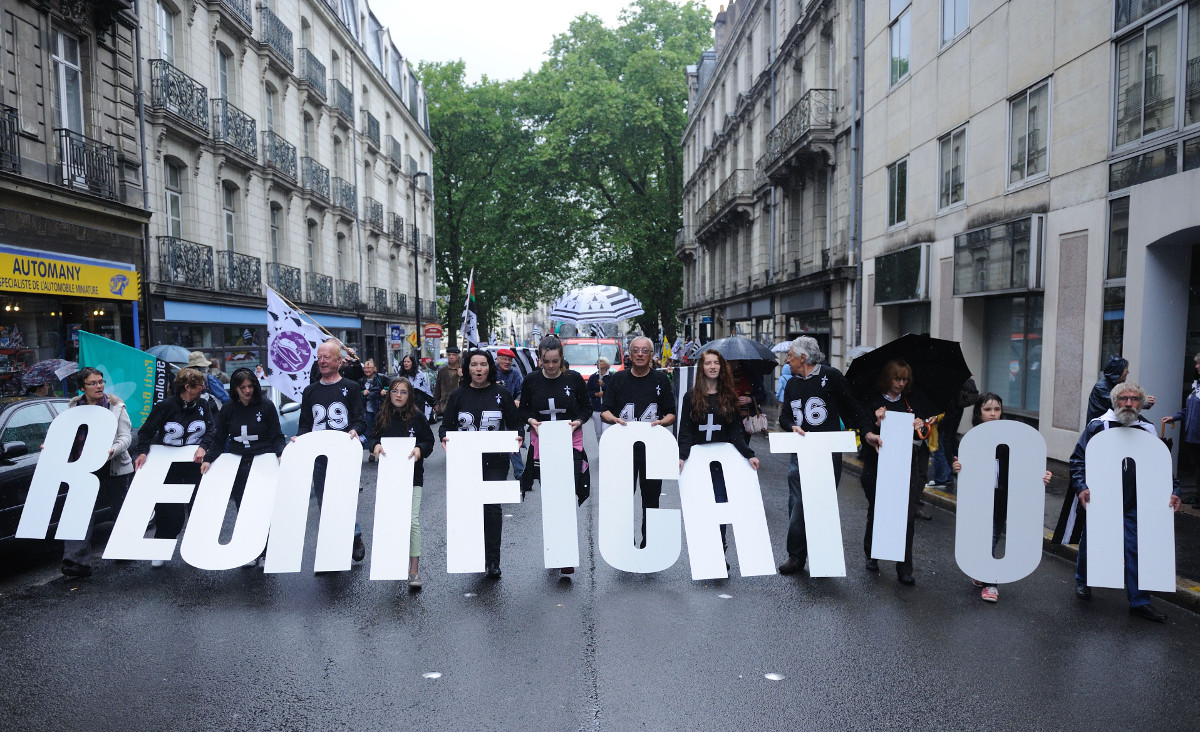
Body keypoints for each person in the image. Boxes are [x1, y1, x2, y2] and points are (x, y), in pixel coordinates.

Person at [1071, 380, 1180, 622]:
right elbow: (1078, 460)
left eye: (1134, 399)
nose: (1129, 403)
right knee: (1092, 543)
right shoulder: (1097, 427)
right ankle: (1084, 581)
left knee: (1136, 548)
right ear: (1115, 401)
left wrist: (1174, 490)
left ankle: (1140, 600)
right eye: (1124, 399)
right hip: (1103, 498)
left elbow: (1162, 467)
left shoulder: (1147, 429)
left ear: (1141, 404)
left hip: (1136, 501)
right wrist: (1082, 487)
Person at [776, 337, 880, 576]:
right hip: (800, 451)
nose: (787, 359)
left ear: (803, 357)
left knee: (822, 502)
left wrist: (867, 432)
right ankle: (796, 555)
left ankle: (822, 553)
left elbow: (852, 407)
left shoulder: (831, 376)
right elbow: (784, 418)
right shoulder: (791, 384)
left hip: (827, 452)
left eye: (790, 355)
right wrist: (791, 425)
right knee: (797, 502)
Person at [950, 393, 1052, 603]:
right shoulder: (971, 439)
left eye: (997, 409)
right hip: (978, 500)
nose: (993, 414)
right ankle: (983, 570)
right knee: (981, 536)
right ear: (979, 412)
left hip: (1001, 498)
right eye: (988, 409)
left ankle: (990, 583)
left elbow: (1024, 466)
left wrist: (1041, 476)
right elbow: (965, 469)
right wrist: (957, 468)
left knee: (993, 536)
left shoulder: (1010, 440)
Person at [439, 349, 521, 578]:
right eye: (474, 364)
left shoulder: (501, 393)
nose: (478, 369)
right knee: (471, 509)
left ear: (489, 367)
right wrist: (444, 436)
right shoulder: (458, 395)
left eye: (483, 364)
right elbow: (446, 426)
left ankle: (493, 560)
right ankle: (475, 555)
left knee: (492, 509)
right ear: (467, 369)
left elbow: (515, 423)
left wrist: (518, 435)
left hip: (495, 461)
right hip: (466, 462)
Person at [518, 336, 592, 573]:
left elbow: (586, 407)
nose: (550, 366)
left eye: (555, 362)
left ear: (561, 360)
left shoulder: (574, 379)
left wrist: (578, 420)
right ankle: (555, 551)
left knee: (568, 496)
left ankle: (567, 554)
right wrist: (531, 420)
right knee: (551, 499)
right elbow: (525, 408)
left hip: (571, 442)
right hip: (543, 444)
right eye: (546, 361)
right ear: (539, 359)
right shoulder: (531, 380)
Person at [677, 349, 760, 559]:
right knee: (702, 507)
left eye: (716, 363)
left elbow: (735, 431)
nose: (712, 367)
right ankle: (706, 552)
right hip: (698, 462)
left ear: (721, 367)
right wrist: (682, 456)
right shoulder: (691, 396)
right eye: (708, 363)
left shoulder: (728, 396)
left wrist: (748, 454)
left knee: (721, 505)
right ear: (701, 368)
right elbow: (685, 430)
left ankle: (720, 552)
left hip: (722, 464)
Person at [199, 367, 286, 567]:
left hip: (263, 461)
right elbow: (219, 439)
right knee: (243, 508)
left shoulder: (266, 406)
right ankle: (249, 551)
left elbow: (276, 435)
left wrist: (280, 454)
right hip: (239, 465)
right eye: (243, 387)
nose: (247, 391)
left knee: (262, 508)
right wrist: (209, 458)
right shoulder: (228, 409)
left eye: (250, 386)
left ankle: (264, 551)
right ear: (235, 389)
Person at [134, 367, 214, 567]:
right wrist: (143, 451)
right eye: (199, 385)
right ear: (187, 387)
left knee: (199, 509)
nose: (203, 387)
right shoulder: (165, 406)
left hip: (196, 467)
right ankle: (160, 548)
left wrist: (203, 447)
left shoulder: (204, 404)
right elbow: (145, 432)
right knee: (170, 513)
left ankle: (197, 549)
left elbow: (212, 430)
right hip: (170, 468)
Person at [296, 339, 368, 564]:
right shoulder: (310, 391)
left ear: (338, 361)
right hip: (319, 457)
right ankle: (333, 545)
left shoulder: (352, 387)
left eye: (327, 357)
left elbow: (360, 419)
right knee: (324, 502)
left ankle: (354, 535)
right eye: (319, 357)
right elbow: (305, 424)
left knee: (344, 499)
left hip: (343, 455)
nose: (322, 361)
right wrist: (299, 440)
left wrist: (355, 430)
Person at [601, 335, 677, 548]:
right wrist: (613, 419)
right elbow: (604, 411)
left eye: (645, 351)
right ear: (630, 354)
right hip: (624, 450)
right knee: (624, 498)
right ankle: (626, 541)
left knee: (651, 499)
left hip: (653, 449)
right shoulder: (618, 379)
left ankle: (649, 542)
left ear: (652, 355)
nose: (640, 354)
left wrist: (662, 422)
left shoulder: (661, 380)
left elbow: (672, 413)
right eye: (636, 350)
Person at [858, 359, 927, 585]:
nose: (900, 383)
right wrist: (875, 425)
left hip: (906, 464)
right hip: (876, 463)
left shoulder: (911, 402)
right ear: (888, 378)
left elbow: (921, 435)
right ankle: (873, 553)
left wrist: (920, 426)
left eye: (904, 379)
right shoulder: (872, 400)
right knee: (877, 509)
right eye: (897, 378)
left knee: (906, 516)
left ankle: (904, 568)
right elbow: (864, 428)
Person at [60, 367, 134, 578]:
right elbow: (68, 437)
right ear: (82, 387)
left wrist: (112, 450)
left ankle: (125, 548)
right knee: (79, 514)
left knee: (119, 510)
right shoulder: (74, 407)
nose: (99, 386)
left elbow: (125, 437)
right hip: (84, 469)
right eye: (93, 383)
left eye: (101, 381)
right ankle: (76, 562)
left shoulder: (115, 406)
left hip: (113, 467)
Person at [368, 377, 435, 590]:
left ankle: (414, 570)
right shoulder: (382, 417)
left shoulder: (417, 417)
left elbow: (429, 442)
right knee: (392, 520)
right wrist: (375, 446)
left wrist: (420, 450)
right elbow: (372, 437)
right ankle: (393, 563)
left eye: (403, 392)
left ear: (410, 396)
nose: (398, 395)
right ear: (389, 394)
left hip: (413, 477)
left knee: (412, 521)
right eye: (395, 391)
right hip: (389, 477)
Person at [1163, 353, 1200, 507]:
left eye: (1199, 363)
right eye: (1197, 363)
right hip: (1192, 436)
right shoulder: (1196, 386)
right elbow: (1188, 409)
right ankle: (1198, 495)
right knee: (1196, 466)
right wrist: (1175, 417)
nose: (1197, 366)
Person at [1087, 356, 1155, 422]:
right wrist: (1143, 401)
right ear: (1118, 370)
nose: (1128, 372)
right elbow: (1116, 401)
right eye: (1126, 369)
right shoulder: (1101, 387)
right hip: (1100, 426)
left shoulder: (1116, 383)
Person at [496, 347, 525, 480]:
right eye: (504, 359)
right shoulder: (491, 373)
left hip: (511, 413)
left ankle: (520, 473)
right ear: (498, 359)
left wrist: (518, 400)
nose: (507, 362)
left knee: (514, 442)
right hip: (494, 413)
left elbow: (521, 390)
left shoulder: (515, 375)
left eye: (509, 360)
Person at [359, 359, 389, 461]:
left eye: (369, 368)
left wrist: (385, 391)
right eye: (365, 368)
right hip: (367, 409)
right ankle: (372, 451)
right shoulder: (361, 381)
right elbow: (357, 393)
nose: (367, 370)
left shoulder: (382, 378)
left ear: (374, 369)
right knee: (369, 431)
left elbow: (392, 387)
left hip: (380, 408)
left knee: (381, 430)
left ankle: (382, 450)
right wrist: (362, 393)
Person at [587, 357, 613, 441]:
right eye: (597, 361)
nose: (598, 363)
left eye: (601, 361)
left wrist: (604, 386)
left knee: (606, 431)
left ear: (606, 364)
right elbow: (587, 392)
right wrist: (596, 394)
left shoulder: (612, 377)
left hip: (608, 410)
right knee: (598, 433)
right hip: (597, 408)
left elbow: (614, 391)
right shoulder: (593, 377)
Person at [399, 353, 433, 418]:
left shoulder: (419, 374)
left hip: (418, 403)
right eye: (404, 362)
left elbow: (425, 389)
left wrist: (433, 403)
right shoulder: (400, 375)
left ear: (412, 363)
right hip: (404, 403)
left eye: (408, 362)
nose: (406, 363)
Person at [433, 346, 462, 421]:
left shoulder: (463, 369)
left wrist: (462, 376)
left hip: (460, 404)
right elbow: (437, 388)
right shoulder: (442, 371)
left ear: (458, 357)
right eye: (449, 355)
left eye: (453, 355)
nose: (451, 357)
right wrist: (436, 402)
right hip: (446, 403)